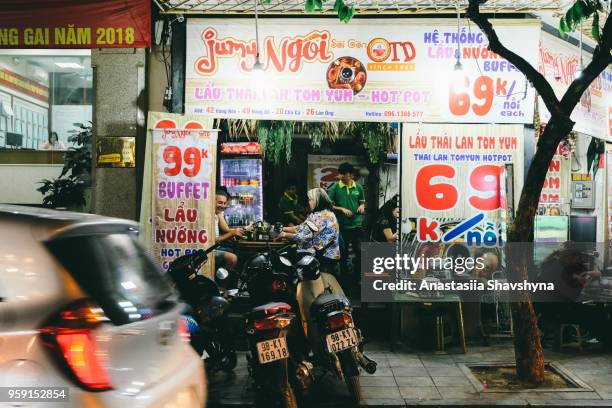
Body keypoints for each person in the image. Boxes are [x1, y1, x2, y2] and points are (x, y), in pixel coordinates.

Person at [276, 188, 340, 274]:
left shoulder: (321, 216)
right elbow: (302, 228)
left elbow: (304, 237)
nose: (308, 202)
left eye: (310, 200)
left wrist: (284, 234)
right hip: (323, 254)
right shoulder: (322, 213)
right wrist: (283, 228)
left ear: (317, 200)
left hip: (324, 257)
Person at [327, 162, 366, 280]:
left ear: (350, 174)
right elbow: (329, 206)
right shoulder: (335, 188)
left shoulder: (358, 187)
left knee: (359, 252)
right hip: (342, 226)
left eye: (343, 174)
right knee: (343, 254)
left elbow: (362, 201)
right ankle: (344, 278)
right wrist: (341, 209)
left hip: (357, 225)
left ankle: (357, 277)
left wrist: (362, 206)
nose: (341, 176)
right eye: (340, 174)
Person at [214, 187, 244, 271]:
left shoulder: (216, 214)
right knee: (233, 258)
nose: (223, 206)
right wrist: (232, 233)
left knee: (240, 252)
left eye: (224, 203)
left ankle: (233, 281)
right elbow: (212, 241)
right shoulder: (209, 216)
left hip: (216, 247)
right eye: (220, 203)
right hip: (210, 250)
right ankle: (222, 282)